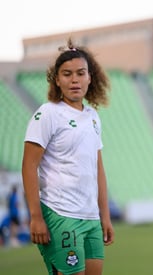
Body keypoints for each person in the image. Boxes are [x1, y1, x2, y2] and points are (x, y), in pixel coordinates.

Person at [21, 38, 114, 275]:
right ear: (57, 80)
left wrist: (104, 216)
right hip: (60, 214)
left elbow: (98, 169)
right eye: (67, 74)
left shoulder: (93, 116)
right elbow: (29, 166)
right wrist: (36, 217)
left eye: (80, 73)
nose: (74, 80)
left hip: (90, 217)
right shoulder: (48, 113)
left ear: (90, 77)